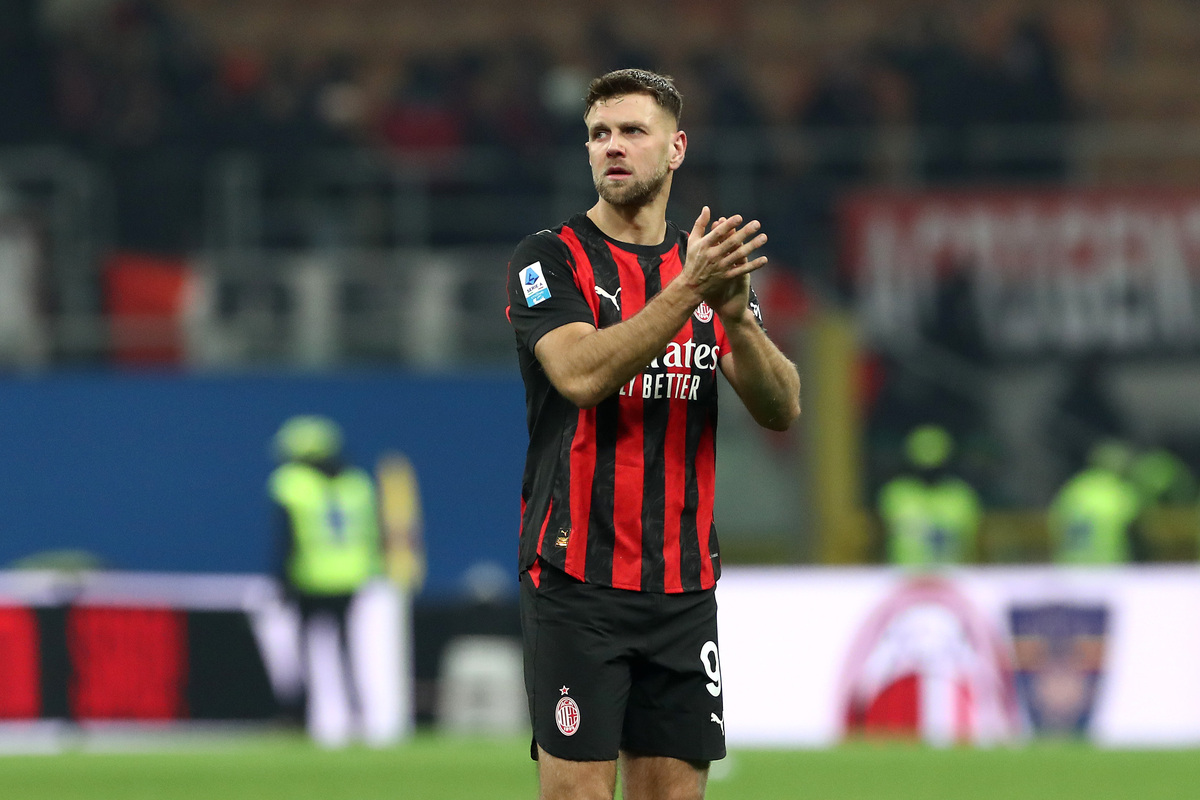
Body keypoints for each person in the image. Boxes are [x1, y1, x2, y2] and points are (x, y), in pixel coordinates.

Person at [504, 68, 801, 800]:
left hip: (681, 588)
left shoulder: (703, 271)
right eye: (599, 134)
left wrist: (734, 317)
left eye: (633, 131)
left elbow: (782, 406)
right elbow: (578, 374)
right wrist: (689, 294)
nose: (612, 147)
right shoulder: (549, 260)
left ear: (675, 149)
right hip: (577, 584)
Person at [269, 414, 406, 748]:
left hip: (309, 578)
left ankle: (296, 716)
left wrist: (282, 579)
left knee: (302, 652)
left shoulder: (291, 483)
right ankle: (356, 715)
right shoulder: (357, 484)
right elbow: (376, 532)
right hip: (352, 578)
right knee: (347, 651)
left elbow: (284, 538)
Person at [877, 424, 982, 567]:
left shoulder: (961, 494)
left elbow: (972, 540)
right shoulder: (896, 492)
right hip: (902, 576)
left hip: (952, 577)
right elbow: (881, 539)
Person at [1048, 439, 1143, 565]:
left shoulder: (1074, 487)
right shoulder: (1119, 490)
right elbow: (1138, 527)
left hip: (1069, 567)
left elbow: (1055, 522)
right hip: (1107, 567)